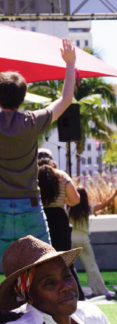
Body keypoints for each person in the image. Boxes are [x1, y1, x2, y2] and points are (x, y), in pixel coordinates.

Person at [0, 38, 76, 258]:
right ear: (22, 97)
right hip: (30, 204)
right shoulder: (32, 121)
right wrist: (70, 63)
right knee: (44, 262)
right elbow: (66, 99)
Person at [37, 161, 85, 300]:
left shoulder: (34, 176)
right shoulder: (62, 176)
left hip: (40, 218)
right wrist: (65, 200)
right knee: (65, 260)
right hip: (59, 220)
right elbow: (75, 199)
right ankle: (77, 296)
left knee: (40, 260)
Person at [68, 186, 117, 298]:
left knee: (68, 267)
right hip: (83, 239)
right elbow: (104, 204)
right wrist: (115, 194)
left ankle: (69, 291)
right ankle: (100, 290)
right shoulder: (87, 210)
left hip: (71, 238)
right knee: (91, 266)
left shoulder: (68, 209)